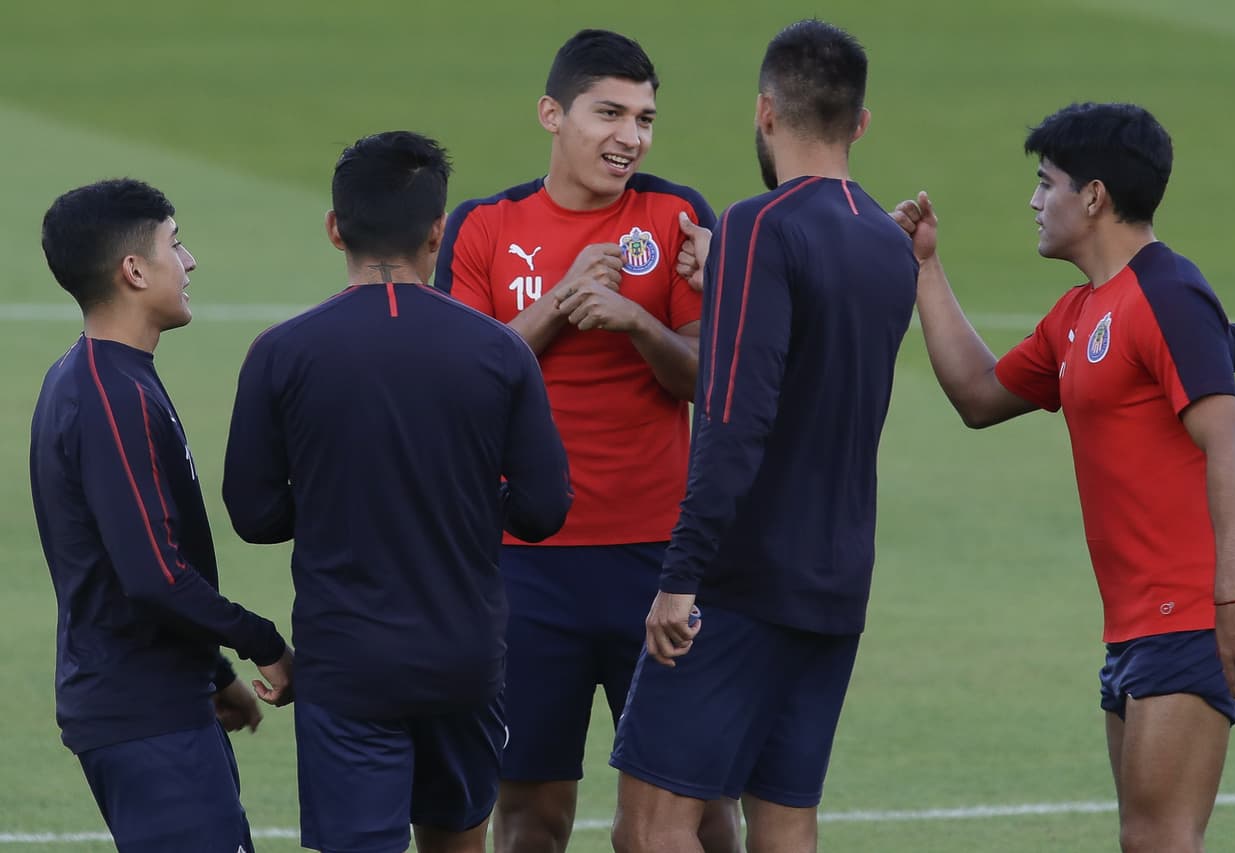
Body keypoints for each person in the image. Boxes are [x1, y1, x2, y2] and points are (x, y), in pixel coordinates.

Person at [890, 102, 1235, 852]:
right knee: (1147, 837)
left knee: (1157, 838)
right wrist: (926, 269)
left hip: (1192, 605)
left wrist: (1230, 594)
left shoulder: (1168, 292)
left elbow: (1232, 442)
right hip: (1134, 619)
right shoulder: (1077, 315)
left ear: (1093, 196)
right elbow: (977, 393)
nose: (1035, 202)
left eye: (1047, 183)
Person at [608, 20, 919, 853]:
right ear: (859, 123)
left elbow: (734, 420)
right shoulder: (891, 246)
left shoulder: (759, 224)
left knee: (649, 827)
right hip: (837, 579)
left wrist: (681, 576)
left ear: (764, 112)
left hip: (743, 582)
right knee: (783, 819)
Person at [222, 130, 572, 853]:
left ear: (334, 227)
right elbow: (543, 508)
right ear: (439, 228)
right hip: (463, 658)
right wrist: (468, 502)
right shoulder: (499, 349)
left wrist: (329, 501)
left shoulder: (281, 353)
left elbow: (253, 514)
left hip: (347, 663)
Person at [434, 29, 740, 853]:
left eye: (644, 118)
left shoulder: (675, 216)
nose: (630, 136)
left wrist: (638, 320)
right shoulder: (484, 228)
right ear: (551, 114)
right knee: (535, 814)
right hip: (525, 562)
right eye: (609, 112)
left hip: (662, 562)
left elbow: (709, 382)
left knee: (700, 811)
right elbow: (459, 387)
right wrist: (561, 305)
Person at [29, 178, 294, 853]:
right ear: (134, 270)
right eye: (175, 243)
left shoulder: (105, 375)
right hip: (144, 714)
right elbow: (152, 574)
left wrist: (214, 676)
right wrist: (263, 641)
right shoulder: (109, 393)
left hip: (160, 700)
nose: (191, 260)